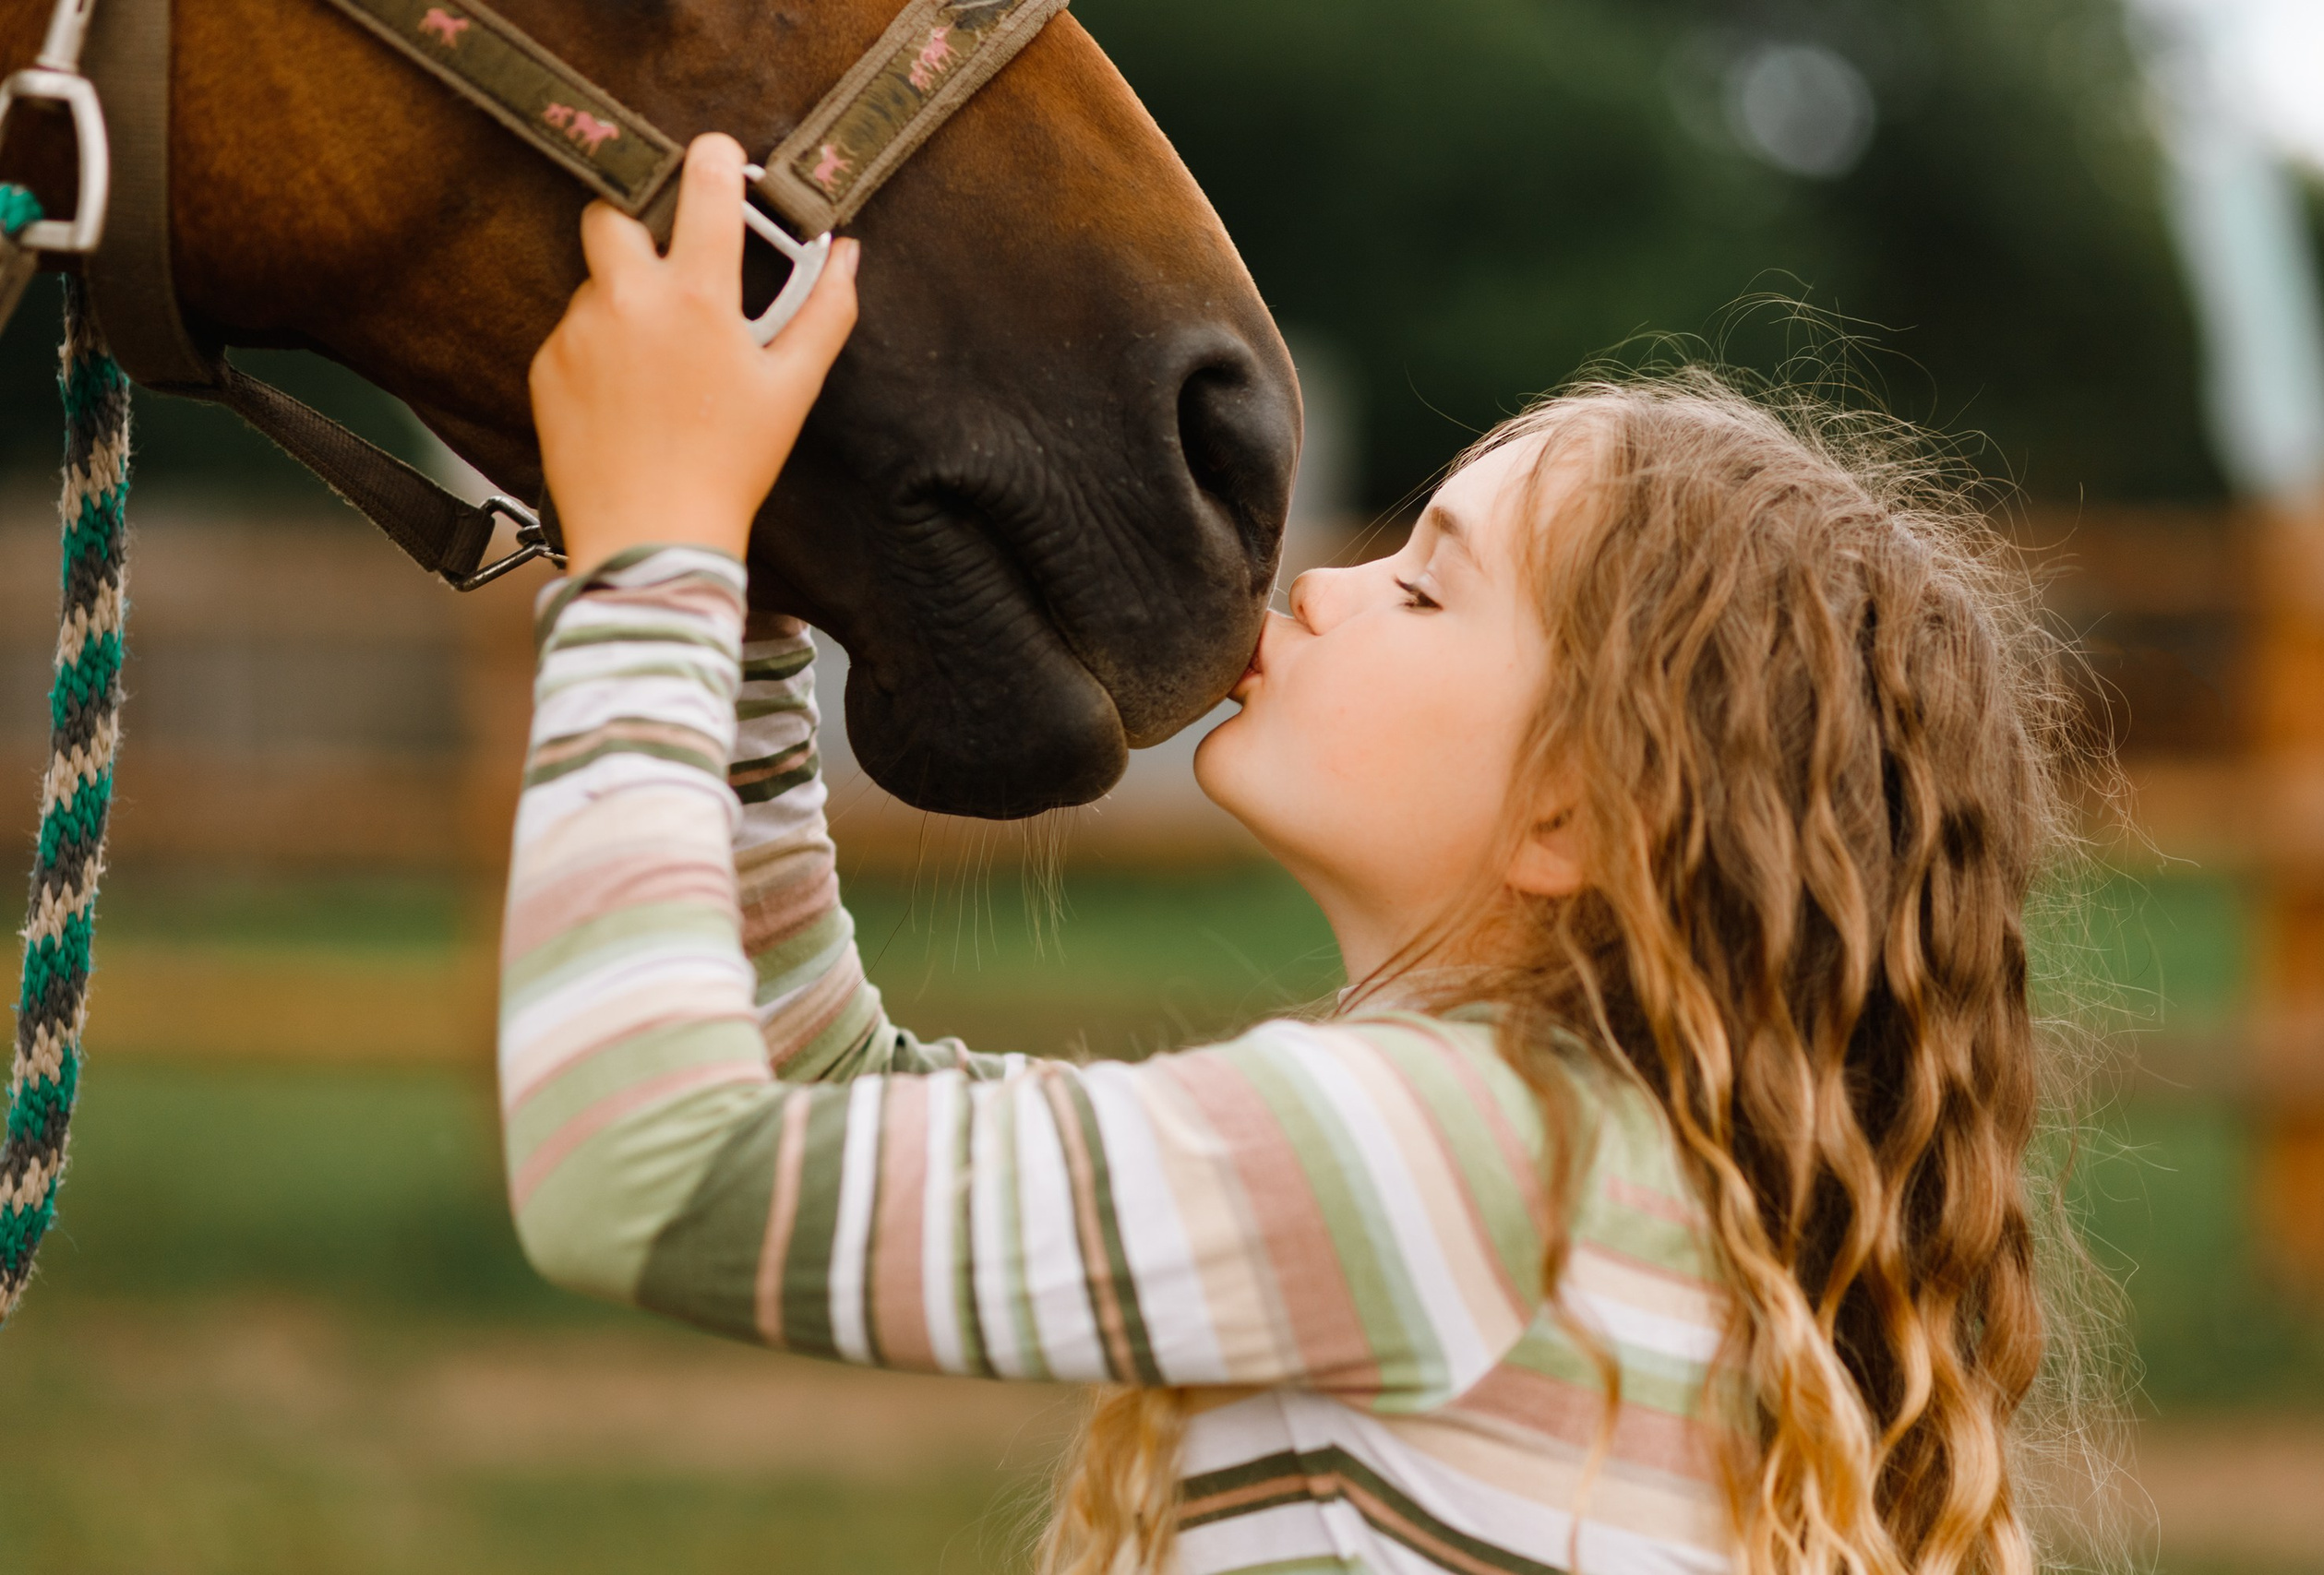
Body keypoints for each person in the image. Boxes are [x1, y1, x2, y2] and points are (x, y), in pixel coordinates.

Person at [505, 132, 2082, 1575]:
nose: (1321, 590)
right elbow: (825, 1099)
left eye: (1423, 590)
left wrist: (657, 552)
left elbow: (638, 1179)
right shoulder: (1599, 1180)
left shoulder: (1456, 1160)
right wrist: (753, 613)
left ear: (1578, 819)